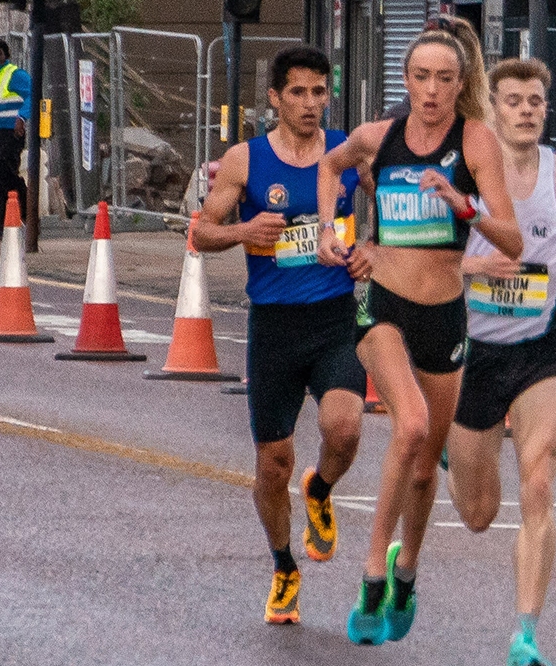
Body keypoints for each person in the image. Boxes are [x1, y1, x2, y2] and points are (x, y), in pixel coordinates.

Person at [316, 19, 523, 646]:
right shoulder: (378, 138)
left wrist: (462, 206)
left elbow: (511, 241)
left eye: (445, 79)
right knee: (408, 428)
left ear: (460, 85)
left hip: (445, 316)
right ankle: (373, 576)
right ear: (405, 80)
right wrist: (334, 231)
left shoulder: (477, 142)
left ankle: (408, 573)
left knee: (427, 471)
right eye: (420, 77)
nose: (431, 90)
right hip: (383, 307)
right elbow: (331, 166)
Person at [192, 46, 367, 625]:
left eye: (320, 92)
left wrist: (371, 250)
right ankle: (283, 565)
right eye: (298, 93)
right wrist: (245, 229)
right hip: (274, 327)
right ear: (275, 97)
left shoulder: (343, 153)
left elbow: (386, 206)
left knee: (343, 429)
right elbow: (200, 234)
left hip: (335, 317)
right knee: (273, 461)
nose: (311, 104)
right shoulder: (246, 160)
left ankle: (320, 490)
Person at [444, 58, 556, 666]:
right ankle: (449, 454)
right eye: (513, 101)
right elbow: (419, 262)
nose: (527, 110)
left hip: (540, 351)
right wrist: (472, 266)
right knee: (479, 514)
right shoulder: (467, 173)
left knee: (538, 480)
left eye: (535, 100)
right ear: (494, 109)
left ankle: (526, 633)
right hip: (472, 354)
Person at [0, 39, 29, 239]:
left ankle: (22, 209)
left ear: (5, 55)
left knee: (3, 168)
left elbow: (32, 95)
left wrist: (21, 117)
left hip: (11, 131)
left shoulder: (14, 74)